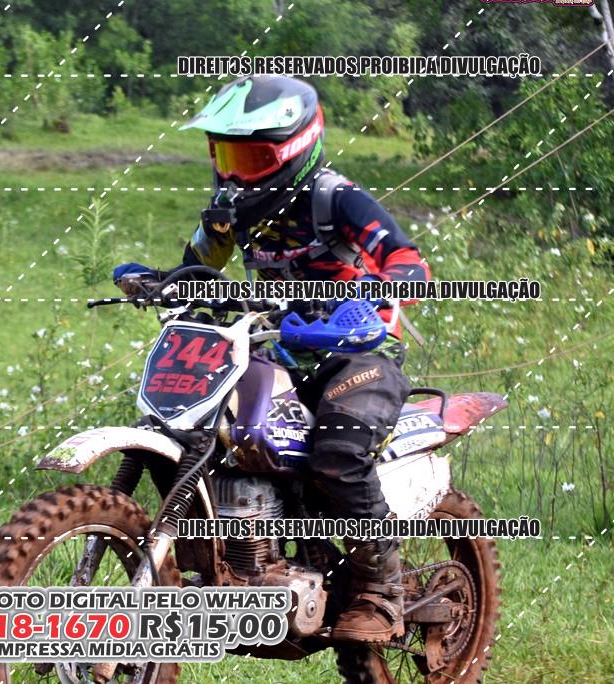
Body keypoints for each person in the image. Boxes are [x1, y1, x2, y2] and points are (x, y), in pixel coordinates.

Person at [112, 75, 430, 644]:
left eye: (252, 159)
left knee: (338, 452)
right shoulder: (227, 214)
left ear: (296, 150)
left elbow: (408, 261)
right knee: (199, 432)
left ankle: (383, 590)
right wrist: (160, 282)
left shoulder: (335, 198)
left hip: (358, 351)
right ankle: (230, 562)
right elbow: (197, 267)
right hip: (277, 346)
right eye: (226, 156)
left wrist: (373, 294)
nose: (236, 175)